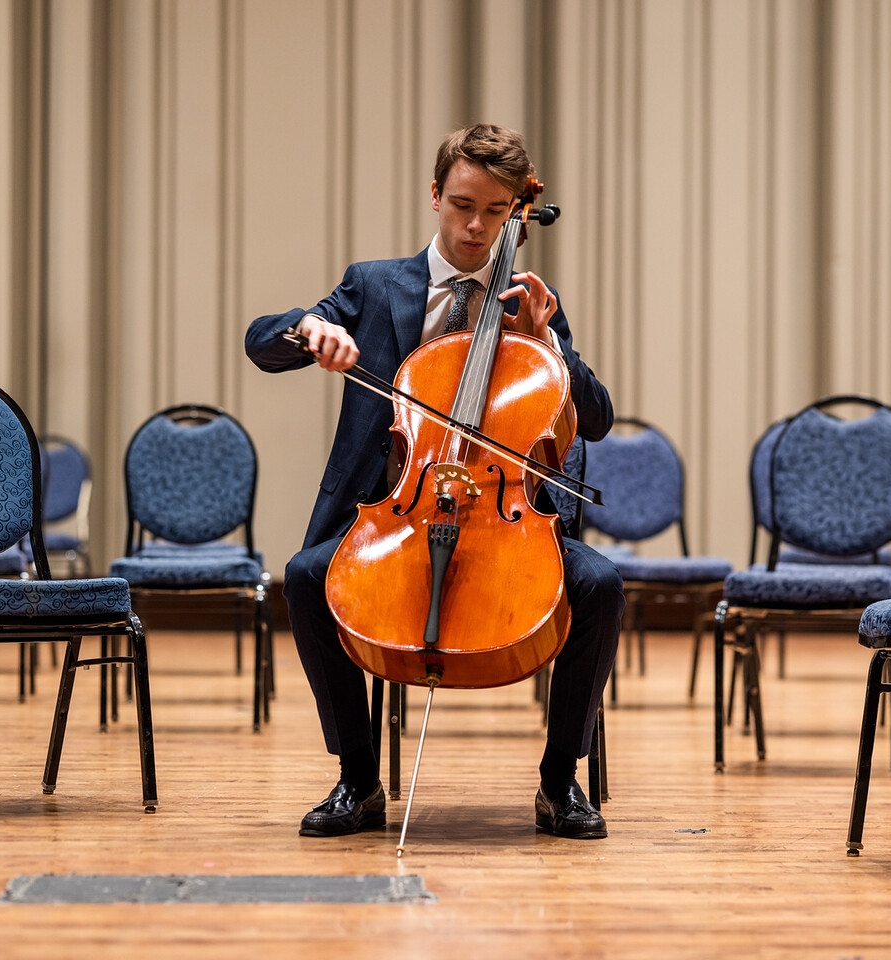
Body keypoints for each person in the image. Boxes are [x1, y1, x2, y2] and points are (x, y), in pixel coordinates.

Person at [245, 123, 622, 840]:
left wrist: (545, 342)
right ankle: (357, 780)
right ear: (435, 196)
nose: (477, 227)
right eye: (463, 206)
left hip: (506, 521)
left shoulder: (530, 301)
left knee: (600, 586)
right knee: (304, 576)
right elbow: (261, 343)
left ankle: (559, 782)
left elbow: (596, 418)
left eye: (497, 211)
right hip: (396, 514)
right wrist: (309, 329)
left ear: (517, 212)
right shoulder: (374, 285)